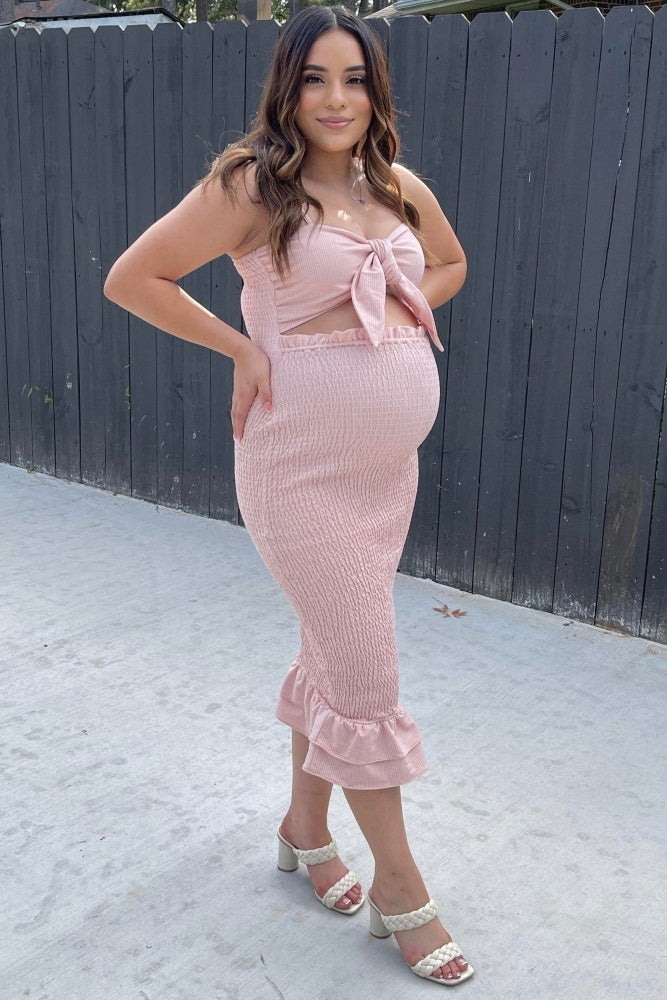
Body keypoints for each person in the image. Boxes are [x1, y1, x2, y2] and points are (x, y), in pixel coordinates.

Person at [104, 5, 470, 986]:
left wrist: (397, 304)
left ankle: (305, 831)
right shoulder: (252, 186)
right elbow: (134, 277)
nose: (335, 98)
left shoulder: (395, 186)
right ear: (286, 87)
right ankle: (401, 885)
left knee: (332, 654)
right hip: (297, 471)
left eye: (354, 79)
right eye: (315, 78)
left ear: (375, 92)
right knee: (366, 678)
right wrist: (242, 348)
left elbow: (448, 263)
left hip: (385, 474)